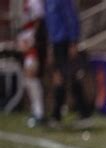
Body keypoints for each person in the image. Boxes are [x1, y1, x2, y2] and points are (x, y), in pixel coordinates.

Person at [44, 0, 93, 128]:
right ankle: (81, 114)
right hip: (56, 43)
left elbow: (71, 17)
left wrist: (73, 41)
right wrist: (50, 46)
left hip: (65, 42)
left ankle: (59, 116)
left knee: (65, 77)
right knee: (65, 77)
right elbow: (51, 23)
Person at [17, 0, 48, 128]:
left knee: (32, 76)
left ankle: (39, 113)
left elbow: (38, 21)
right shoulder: (28, 3)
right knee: (29, 79)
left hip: (33, 47)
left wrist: (32, 40)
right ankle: (36, 111)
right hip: (27, 44)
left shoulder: (35, 2)